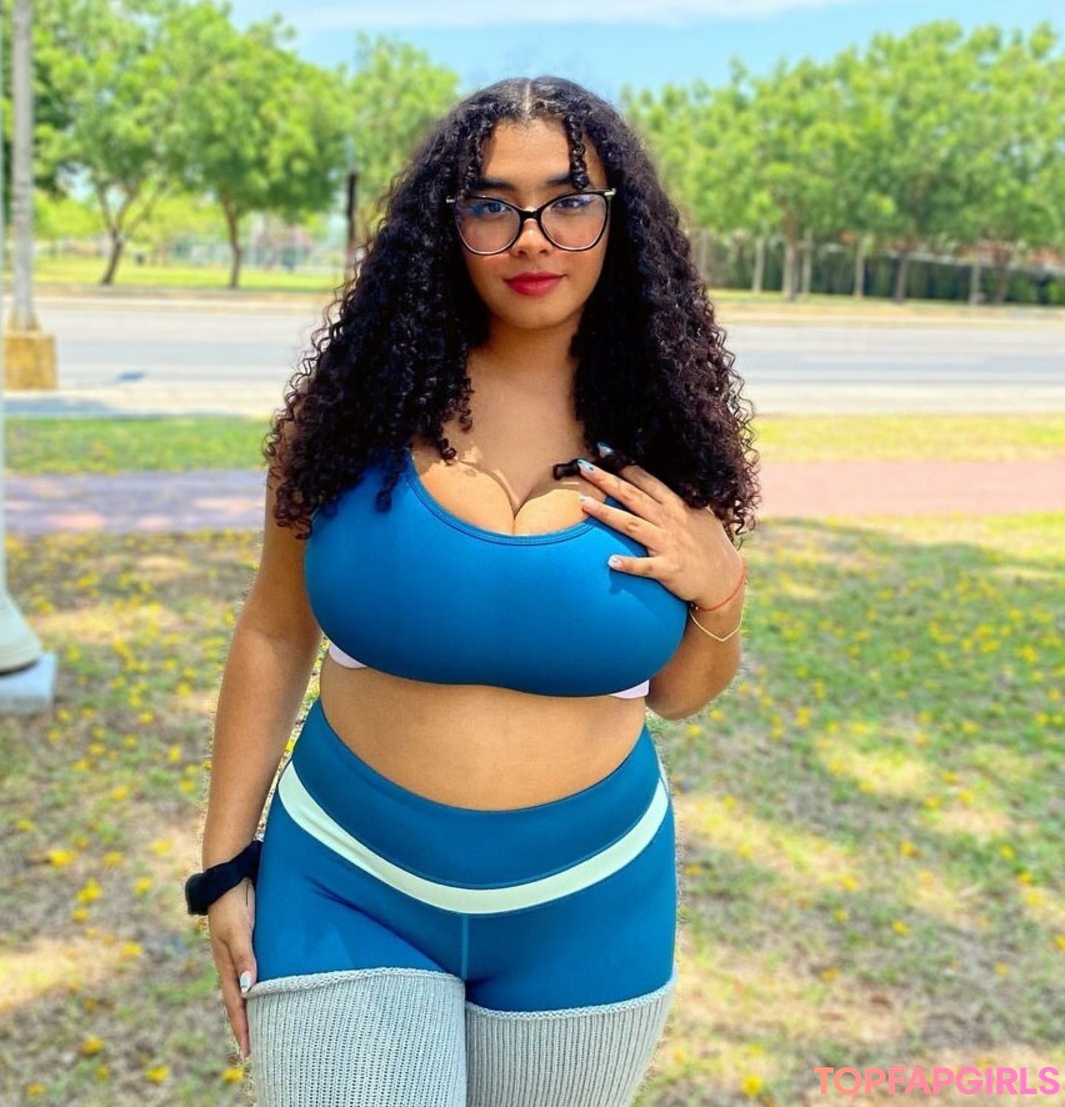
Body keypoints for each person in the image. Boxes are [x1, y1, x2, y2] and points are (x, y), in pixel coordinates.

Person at [188, 75, 759, 1107]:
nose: (532, 238)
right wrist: (223, 864)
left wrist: (722, 592)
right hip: (346, 884)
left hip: (591, 906)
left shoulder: (667, 431)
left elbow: (680, 693)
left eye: (569, 201)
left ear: (618, 219)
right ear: (445, 225)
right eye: (492, 204)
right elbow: (274, 631)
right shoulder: (353, 412)